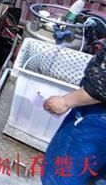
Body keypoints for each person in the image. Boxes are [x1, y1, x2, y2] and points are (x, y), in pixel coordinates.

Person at [42, 46, 106, 185]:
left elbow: (101, 87)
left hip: (97, 117)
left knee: (61, 175)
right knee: (97, 174)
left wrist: (65, 101)